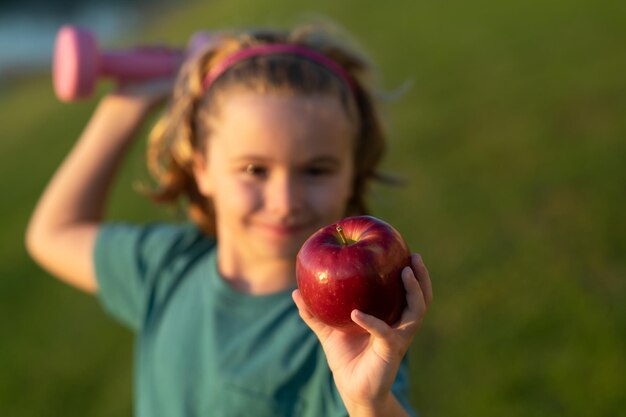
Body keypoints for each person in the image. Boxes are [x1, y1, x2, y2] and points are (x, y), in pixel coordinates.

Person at [26, 24, 433, 417]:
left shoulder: (345, 325)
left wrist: (368, 403)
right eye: (255, 169)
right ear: (201, 168)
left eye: (316, 170)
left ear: (351, 172)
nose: (285, 201)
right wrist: (124, 106)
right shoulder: (169, 267)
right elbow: (52, 233)